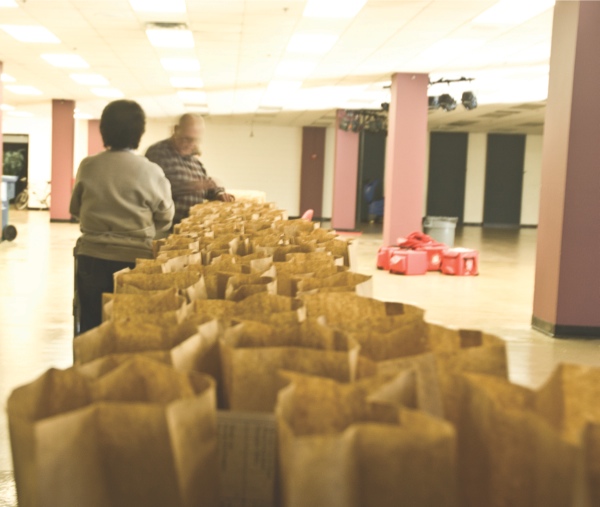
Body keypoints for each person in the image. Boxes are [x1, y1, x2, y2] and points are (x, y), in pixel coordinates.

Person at [70, 100, 174, 334]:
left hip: (92, 257)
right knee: (130, 327)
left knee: (92, 326)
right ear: (140, 132)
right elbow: (165, 217)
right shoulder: (151, 170)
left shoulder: (88, 166)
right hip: (135, 261)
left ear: (103, 130)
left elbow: (75, 208)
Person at [145, 113, 234, 225]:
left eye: (194, 140)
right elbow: (154, 189)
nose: (190, 144)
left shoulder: (195, 162)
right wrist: (193, 185)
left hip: (187, 228)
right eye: (186, 139)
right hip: (163, 228)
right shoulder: (158, 152)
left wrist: (219, 193)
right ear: (176, 130)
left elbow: (206, 186)